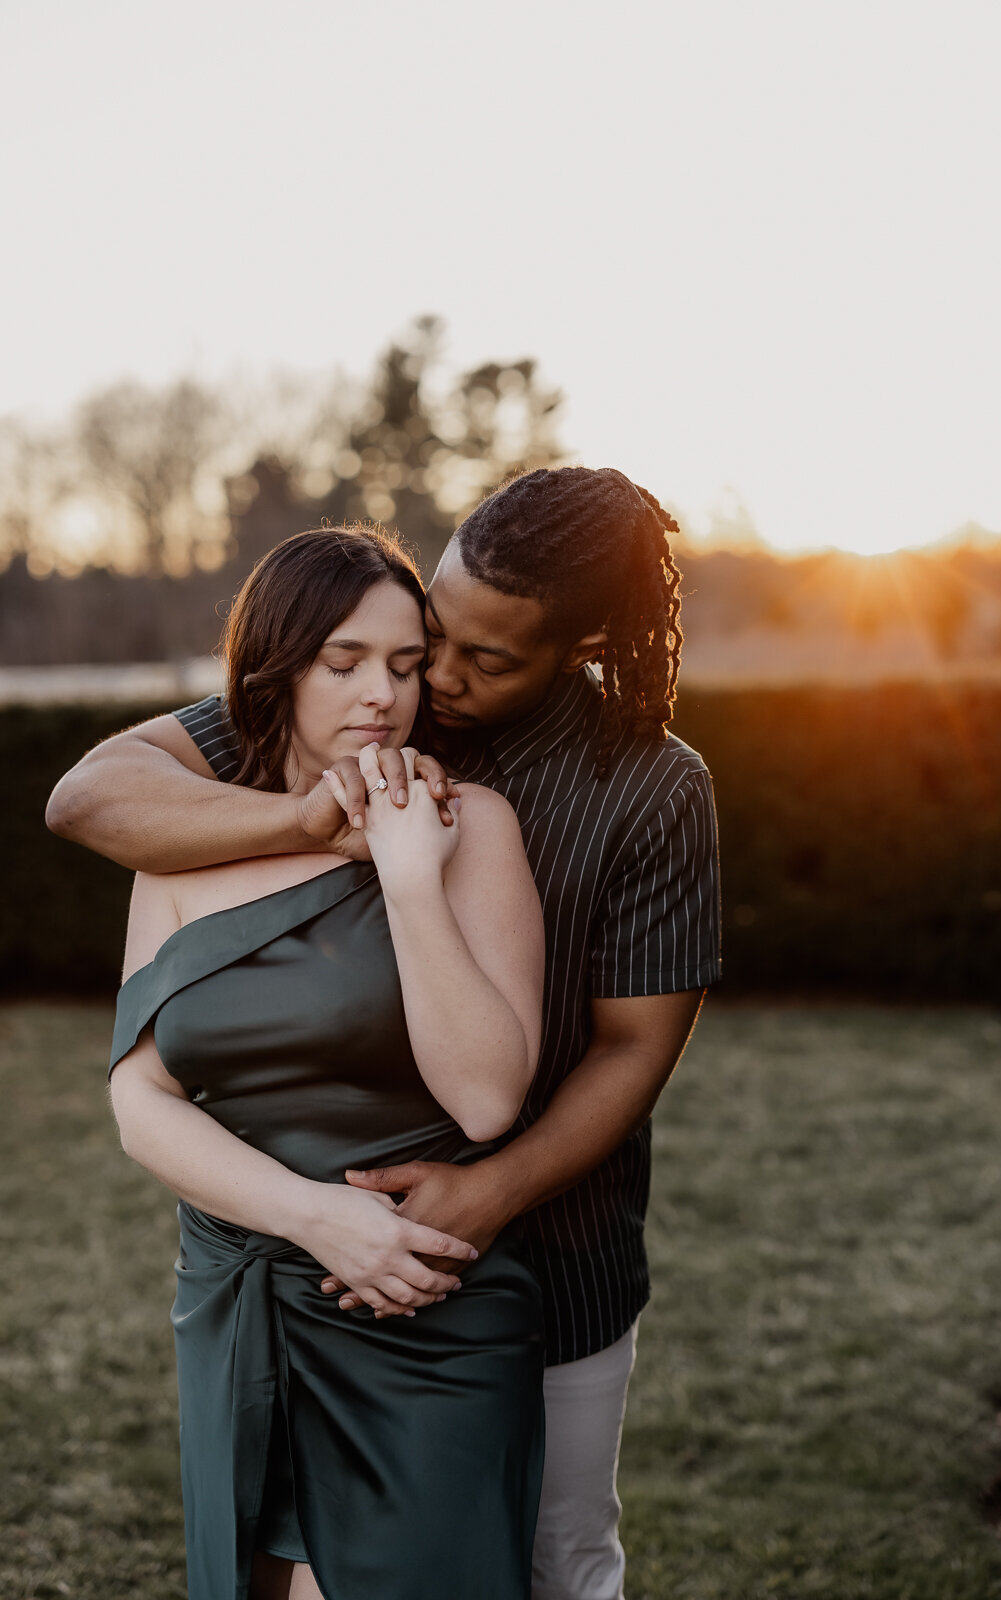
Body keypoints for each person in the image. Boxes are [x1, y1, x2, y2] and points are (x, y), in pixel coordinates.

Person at [48, 464, 721, 1600]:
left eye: (473, 660)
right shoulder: (340, 701)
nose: (427, 686)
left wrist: (491, 1189)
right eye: (423, 638)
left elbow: (630, 1049)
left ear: (580, 644)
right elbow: (92, 798)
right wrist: (308, 817)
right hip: (274, 1261)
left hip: (536, 1248)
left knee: (549, 1563)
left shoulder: (644, 785)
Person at [104, 526, 546, 1600]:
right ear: (276, 668)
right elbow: (138, 1093)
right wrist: (308, 1215)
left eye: (403, 665)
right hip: (242, 1295)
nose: (382, 695)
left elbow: (487, 1098)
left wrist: (406, 879)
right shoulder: (183, 845)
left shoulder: (470, 825)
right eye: (343, 663)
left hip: (416, 1314)